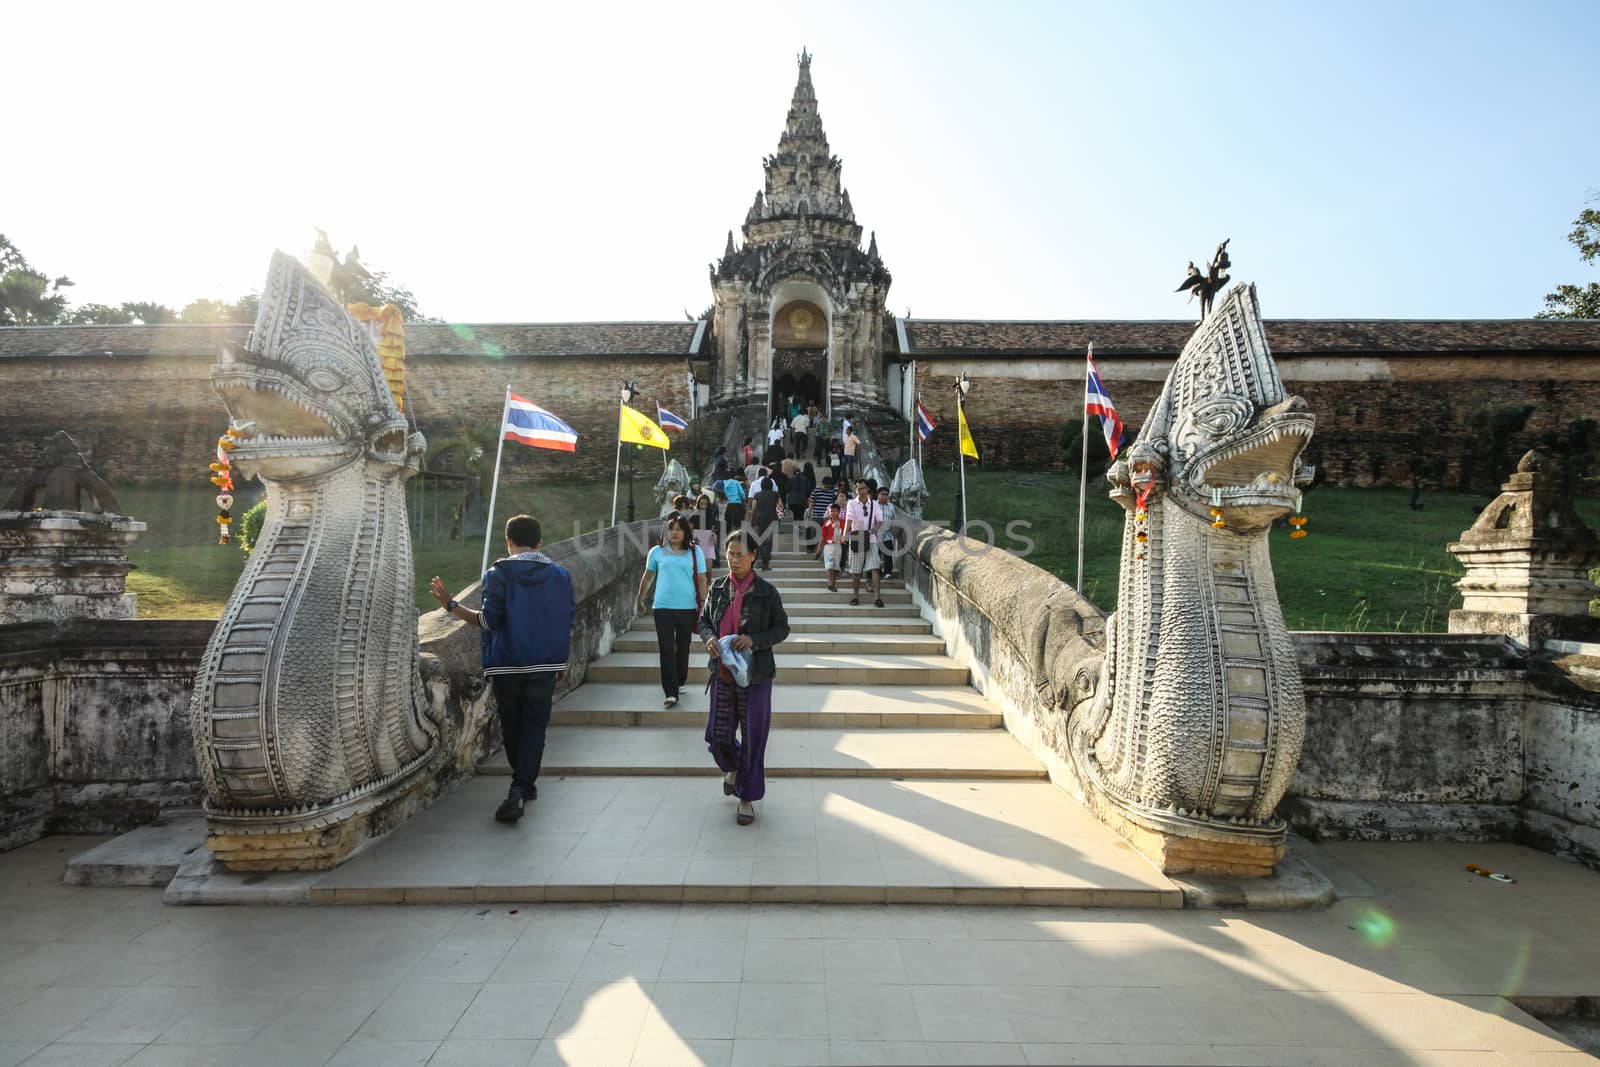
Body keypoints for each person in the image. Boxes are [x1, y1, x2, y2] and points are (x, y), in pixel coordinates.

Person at [430, 514, 574, 823]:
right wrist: (562, 660)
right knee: (535, 727)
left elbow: (488, 621)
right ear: (539, 542)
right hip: (545, 662)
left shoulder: (497, 574)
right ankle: (524, 784)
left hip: (507, 664)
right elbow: (565, 621)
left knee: (512, 726)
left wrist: (450, 605)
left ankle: (520, 786)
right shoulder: (560, 576)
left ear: (508, 541)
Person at [699, 530, 790, 825]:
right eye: (730, 553)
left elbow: (782, 629)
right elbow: (703, 621)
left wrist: (754, 640)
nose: (734, 559)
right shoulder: (717, 587)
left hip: (756, 676)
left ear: (753, 556)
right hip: (723, 673)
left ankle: (747, 798)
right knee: (718, 735)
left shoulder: (766, 592)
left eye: (740, 554)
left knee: (753, 738)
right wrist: (710, 638)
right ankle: (733, 767)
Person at [639, 513, 709, 708]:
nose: (675, 533)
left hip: (687, 608)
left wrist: (703, 602)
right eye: (671, 529)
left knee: (683, 647)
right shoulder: (657, 552)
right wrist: (640, 596)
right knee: (667, 648)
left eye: (679, 529)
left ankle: (680, 679)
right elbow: (647, 576)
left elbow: (702, 579)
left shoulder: (695, 553)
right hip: (662, 607)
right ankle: (670, 692)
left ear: (686, 532)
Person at [843, 479, 884, 607]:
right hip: (857, 537)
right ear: (856, 490)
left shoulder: (874, 504)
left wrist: (874, 529)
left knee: (875, 568)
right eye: (859, 488)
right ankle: (855, 596)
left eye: (863, 488)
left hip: (871, 538)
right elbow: (849, 519)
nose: (861, 491)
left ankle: (877, 597)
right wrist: (845, 533)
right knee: (856, 571)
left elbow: (880, 521)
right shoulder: (851, 503)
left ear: (868, 489)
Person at [749, 472, 781, 570]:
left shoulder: (757, 495)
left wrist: (751, 520)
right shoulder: (775, 494)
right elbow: (780, 506)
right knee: (768, 542)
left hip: (759, 520)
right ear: (771, 485)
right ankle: (765, 564)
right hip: (772, 520)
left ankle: (757, 560)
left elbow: (753, 508)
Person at [817, 501, 844, 592]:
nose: (833, 513)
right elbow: (823, 536)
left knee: (836, 566)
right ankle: (830, 583)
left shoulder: (843, 523)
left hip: (838, 546)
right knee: (829, 564)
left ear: (839, 512)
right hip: (828, 546)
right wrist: (819, 548)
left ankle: (833, 583)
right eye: (831, 511)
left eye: (835, 511)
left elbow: (848, 533)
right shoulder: (827, 523)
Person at [876, 485, 898, 579]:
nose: (885, 496)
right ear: (878, 495)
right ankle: (878, 572)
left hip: (888, 535)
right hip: (875, 535)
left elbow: (894, 519)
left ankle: (888, 572)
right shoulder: (874, 506)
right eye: (882, 494)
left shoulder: (891, 507)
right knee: (876, 555)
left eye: (886, 494)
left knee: (888, 555)